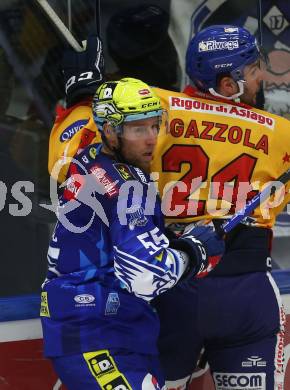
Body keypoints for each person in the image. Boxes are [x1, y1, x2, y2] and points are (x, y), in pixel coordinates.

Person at [47, 26, 290, 389]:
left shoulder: (153, 106)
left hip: (172, 289)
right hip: (242, 288)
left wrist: (82, 97)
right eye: (255, 71)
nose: (262, 79)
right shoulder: (281, 132)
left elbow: (66, 164)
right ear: (229, 83)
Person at [41, 77, 224, 390]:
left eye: (155, 126)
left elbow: (113, 235)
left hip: (103, 331)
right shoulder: (129, 187)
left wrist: (164, 236)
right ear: (110, 131)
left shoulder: (88, 158)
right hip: (100, 335)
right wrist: (196, 250)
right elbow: (145, 276)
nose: (152, 139)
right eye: (139, 129)